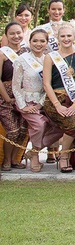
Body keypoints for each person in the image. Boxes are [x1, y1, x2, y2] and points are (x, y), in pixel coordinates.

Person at [42, 26, 75, 173]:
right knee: (73, 124)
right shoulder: (51, 57)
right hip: (56, 99)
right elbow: (46, 83)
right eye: (63, 36)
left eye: (69, 36)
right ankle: (64, 156)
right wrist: (57, 105)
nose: (66, 39)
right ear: (57, 37)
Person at [13, 29, 59, 171]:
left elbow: (49, 85)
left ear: (46, 43)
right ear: (30, 42)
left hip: (43, 101)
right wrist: (24, 105)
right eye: (35, 41)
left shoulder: (49, 59)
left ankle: (34, 151)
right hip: (26, 100)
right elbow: (16, 86)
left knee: (59, 126)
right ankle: (35, 157)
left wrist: (40, 104)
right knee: (39, 125)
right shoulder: (22, 59)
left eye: (42, 41)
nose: (38, 44)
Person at [0, 23, 27, 171]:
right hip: (6, 97)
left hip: (24, 96)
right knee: (12, 130)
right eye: (12, 34)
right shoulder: (2, 53)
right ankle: (6, 160)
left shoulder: (27, 52)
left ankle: (15, 159)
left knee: (23, 130)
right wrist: (7, 98)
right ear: (6, 35)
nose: (16, 36)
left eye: (18, 33)